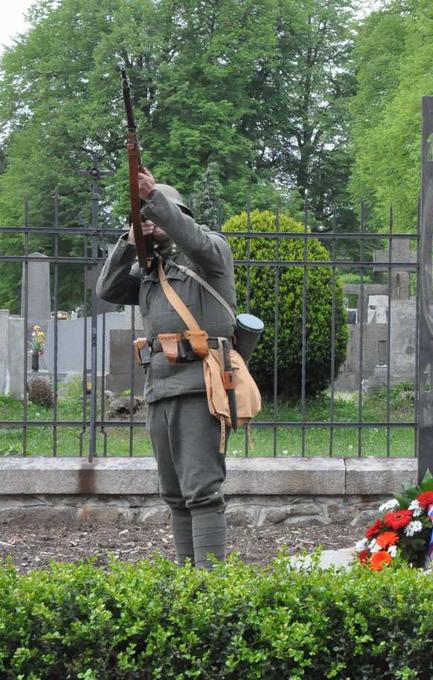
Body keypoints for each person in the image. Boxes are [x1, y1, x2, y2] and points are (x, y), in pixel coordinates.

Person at [98, 169, 237, 568]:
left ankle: (209, 585)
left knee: (202, 491)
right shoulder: (150, 272)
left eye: (157, 215)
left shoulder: (210, 254)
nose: (150, 221)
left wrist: (153, 195)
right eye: (143, 217)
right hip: (160, 388)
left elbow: (192, 238)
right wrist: (130, 238)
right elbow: (107, 289)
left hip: (199, 386)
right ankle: (186, 577)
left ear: (178, 215)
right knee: (174, 493)